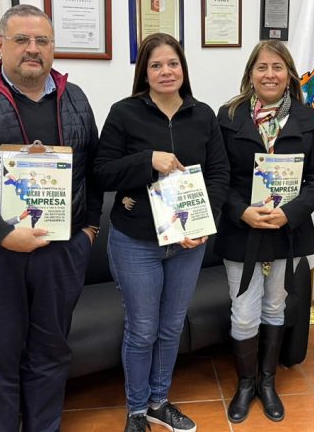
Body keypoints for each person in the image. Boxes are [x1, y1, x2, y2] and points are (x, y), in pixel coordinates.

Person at [0, 4, 101, 432]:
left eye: (42, 40)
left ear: (53, 47)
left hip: (61, 251)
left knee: (51, 353)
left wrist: (89, 228)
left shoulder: (75, 98)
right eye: (21, 39)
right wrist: (3, 234)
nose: (33, 49)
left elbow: (93, 168)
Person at [93, 33, 229, 432]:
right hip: (137, 242)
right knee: (143, 329)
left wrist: (202, 222)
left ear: (183, 68)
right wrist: (147, 161)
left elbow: (219, 174)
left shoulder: (203, 115)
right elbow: (101, 172)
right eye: (156, 65)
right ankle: (136, 410)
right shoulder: (124, 113)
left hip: (188, 243)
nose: (166, 71)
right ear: (144, 72)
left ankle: (158, 402)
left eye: (173, 63)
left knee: (171, 327)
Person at [216, 40, 314, 423]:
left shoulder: (307, 118)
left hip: (287, 232)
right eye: (262, 67)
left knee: (275, 306)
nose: (270, 75)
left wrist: (290, 213)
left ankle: (267, 383)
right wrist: (242, 212)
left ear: (289, 74)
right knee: (243, 313)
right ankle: (245, 383)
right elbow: (219, 177)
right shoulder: (228, 116)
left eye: (277, 67)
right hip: (241, 231)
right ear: (250, 73)